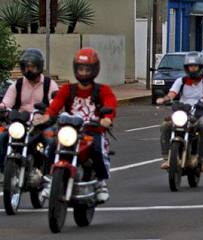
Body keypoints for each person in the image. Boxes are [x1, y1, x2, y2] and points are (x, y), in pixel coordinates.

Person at [34, 48, 117, 202]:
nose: (84, 73)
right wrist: (45, 117)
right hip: (69, 131)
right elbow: (55, 106)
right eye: (81, 69)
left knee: (98, 149)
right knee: (51, 144)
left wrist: (107, 118)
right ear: (75, 69)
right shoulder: (67, 89)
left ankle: (100, 183)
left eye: (87, 69)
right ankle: (50, 179)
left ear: (94, 70)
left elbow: (110, 104)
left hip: (92, 131)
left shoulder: (103, 90)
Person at [0, 48, 59, 185]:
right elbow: (6, 103)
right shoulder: (18, 84)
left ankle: (51, 174)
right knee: (2, 137)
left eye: (32, 67)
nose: (29, 70)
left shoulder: (50, 84)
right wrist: (2, 108)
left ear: (39, 67)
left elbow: (55, 104)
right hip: (21, 122)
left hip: (42, 123)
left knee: (52, 142)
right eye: (26, 67)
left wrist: (49, 110)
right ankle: (3, 170)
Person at [157, 52, 203, 173]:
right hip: (183, 111)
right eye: (190, 66)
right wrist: (164, 99)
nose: (193, 68)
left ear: (200, 67)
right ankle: (168, 158)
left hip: (200, 112)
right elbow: (172, 93)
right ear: (186, 67)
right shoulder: (181, 81)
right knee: (166, 125)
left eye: (195, 66)